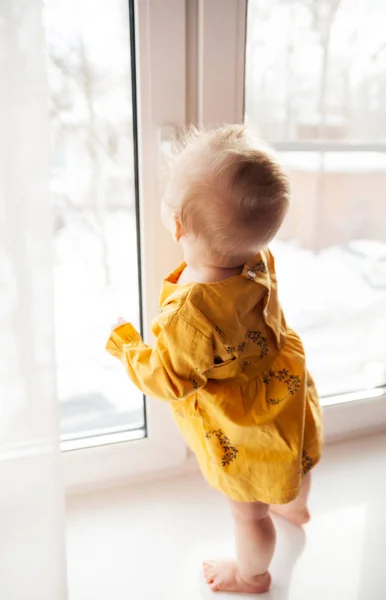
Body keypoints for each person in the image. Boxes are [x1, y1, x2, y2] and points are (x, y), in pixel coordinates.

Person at [106, 125, 323, 594]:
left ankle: (253, 574)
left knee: (248, 511)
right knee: (297, 456)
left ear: (179, 225)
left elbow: (167, 379)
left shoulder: (192, 312)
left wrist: (126, 345)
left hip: (241, 427)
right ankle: (295, 506)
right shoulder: (256, 256)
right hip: (285, 390)